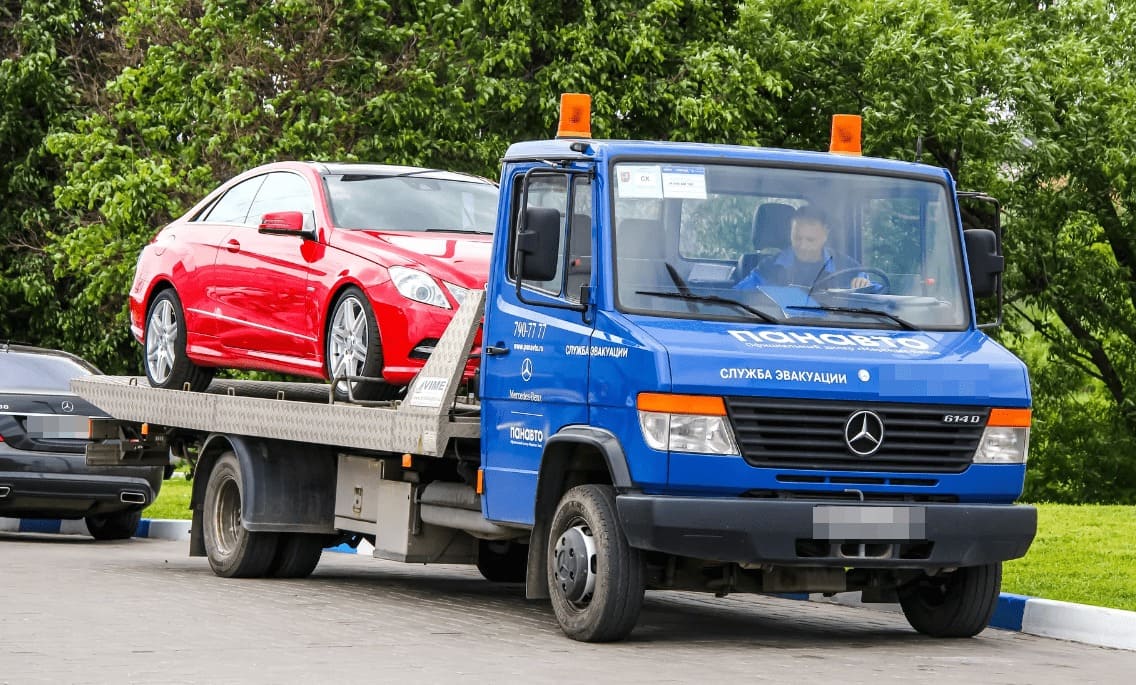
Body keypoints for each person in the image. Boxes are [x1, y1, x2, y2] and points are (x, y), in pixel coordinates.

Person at [734, 206, 872, 290]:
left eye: (810, 240)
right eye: (797, 238)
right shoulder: (770, 267)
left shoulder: (847, 267)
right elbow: (738, 296)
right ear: (790, 233)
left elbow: (876, 295)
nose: (803, 246)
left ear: (825, 235)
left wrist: (863, 285)